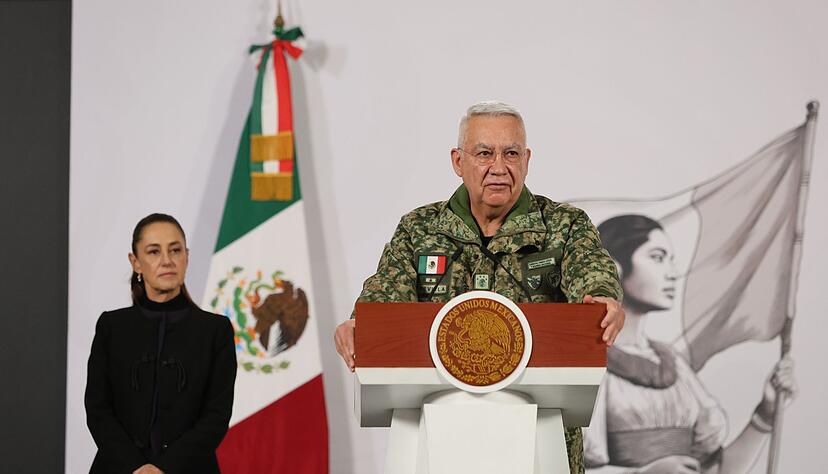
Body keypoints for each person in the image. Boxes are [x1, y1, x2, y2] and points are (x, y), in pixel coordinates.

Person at [334, 100, 626, 474]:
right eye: (484, 153)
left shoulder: (563, 225)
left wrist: (602, 298)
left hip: (541, 440)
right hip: (434, 441)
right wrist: (362, 325)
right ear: (458, 161)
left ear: (527, 159)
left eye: (511, 153)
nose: (499, 168)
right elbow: (385, 296)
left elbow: (592, 273)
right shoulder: (420, 228)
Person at [584, 214, 796, 474]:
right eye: (658, 257)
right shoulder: (588, 362)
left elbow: (716, 470)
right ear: (612, 268)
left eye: (672, 261)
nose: (673, 273)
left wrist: (765, 414)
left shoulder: (671, 362)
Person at [85, 213, 236, 474]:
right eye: (154, 252)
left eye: (175, 250)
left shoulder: (216, 330)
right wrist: (136, 467)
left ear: (186, 256)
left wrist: (163, 468)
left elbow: (216, 416)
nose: (167, 261)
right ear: (136, 262)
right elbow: (98, 409)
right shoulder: (111, 326)